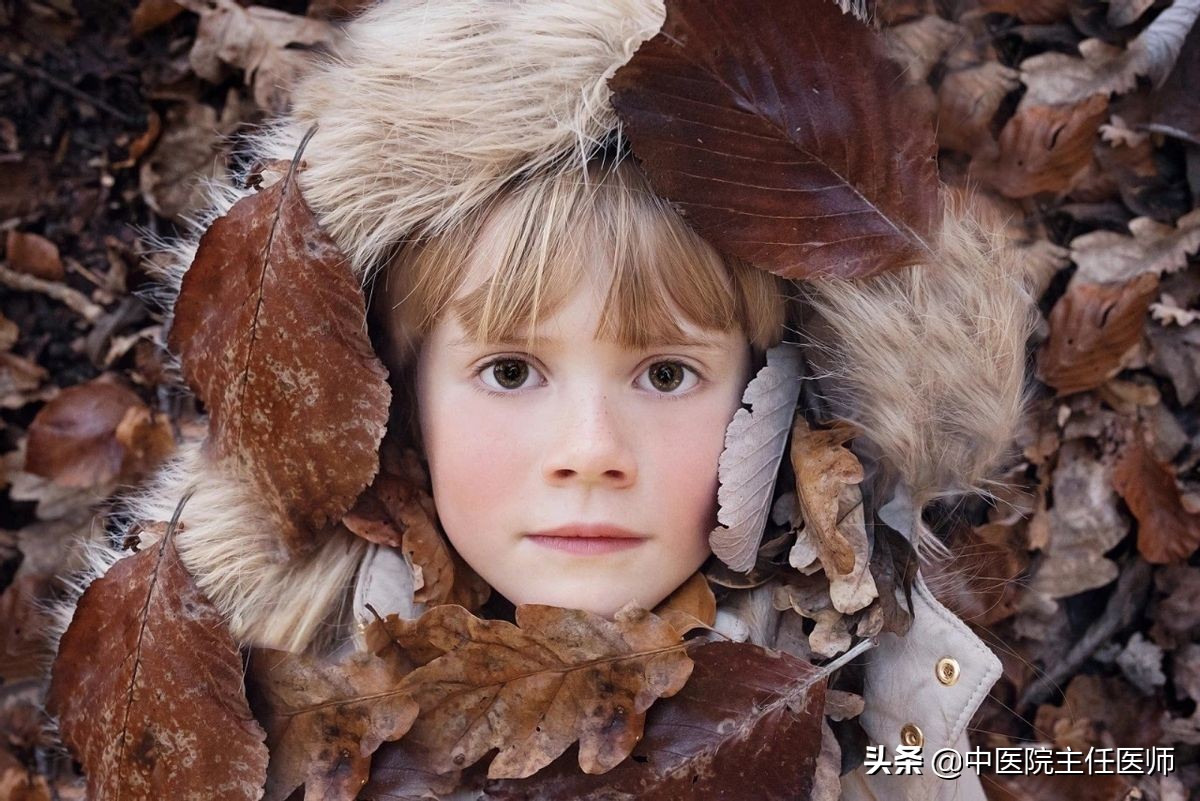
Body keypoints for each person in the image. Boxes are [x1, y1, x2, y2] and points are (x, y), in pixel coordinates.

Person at [48, 1, 1034, 799]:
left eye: (666, 374)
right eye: (511, 372)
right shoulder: (259, 724)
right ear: (389, 402)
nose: (591, 450)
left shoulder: (869, 710)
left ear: (779, 395)